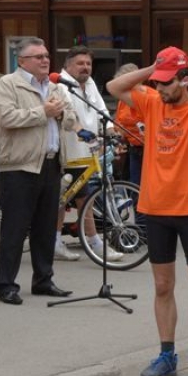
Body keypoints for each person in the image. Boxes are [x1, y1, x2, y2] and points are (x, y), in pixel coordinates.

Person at [107, 46, 188, 376]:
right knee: (162, 285)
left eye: (167, 82)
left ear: (185, 80)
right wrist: (155, 69)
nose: (159, 89)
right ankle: (167, 355)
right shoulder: (152, 101)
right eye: (157, 83)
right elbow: (114, 87)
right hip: (156, 207)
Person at [0, 37, 76, 305]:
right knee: (15, 229)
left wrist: (61, 114)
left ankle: (43, 280)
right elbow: (6, 118)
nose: (45, 60)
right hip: (19, 165)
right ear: (22, 61)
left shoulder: (55, 86)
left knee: (45, 228)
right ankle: (5, 285)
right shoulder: (8, 84)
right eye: (38, 56)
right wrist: (44, 112)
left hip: (51, 163)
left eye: (46, 56)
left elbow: (72, 120)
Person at [54, 46, 123, 263]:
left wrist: (111, 131)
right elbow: (68, 116)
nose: (85, 67)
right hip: (67, 152)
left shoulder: (90, 83)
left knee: (85, 199)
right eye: (80, 63)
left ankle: (94, 243)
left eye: (88, 63)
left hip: (87, 152)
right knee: (62, 200)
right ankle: (58, 242)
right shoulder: (61, 86)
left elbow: (102, 111)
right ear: (68, 65)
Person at [112, 63, 146, 185]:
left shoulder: (147, 98)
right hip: (133, 148)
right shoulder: (123, 101)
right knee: (133, 184)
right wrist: (118, 136)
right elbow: (119, 122)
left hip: (147, 149)